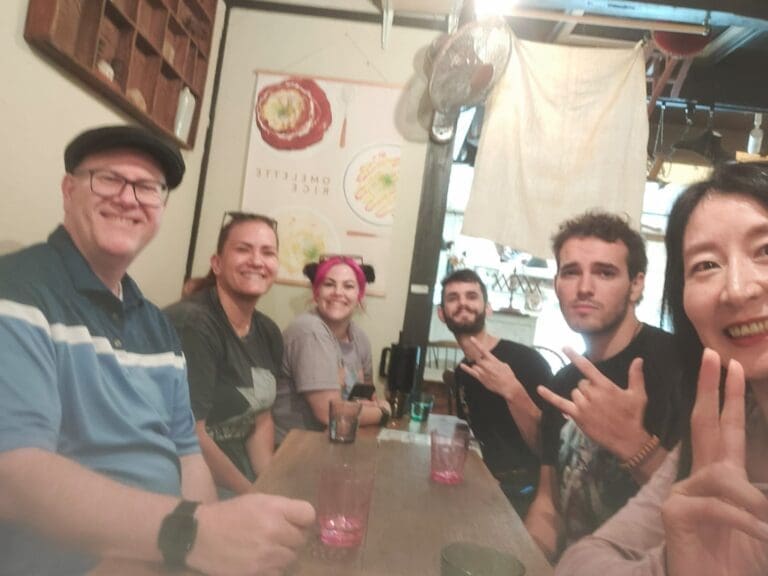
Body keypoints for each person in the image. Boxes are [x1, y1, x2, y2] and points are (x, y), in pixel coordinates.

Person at [0, 125, 314, 575]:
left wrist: (208, 548)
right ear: (69, 190)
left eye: (148, 187)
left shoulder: (156, 325)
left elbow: (188, 454)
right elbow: (12, 476)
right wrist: (192, 533)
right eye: (108, 178)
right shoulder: (18, 292)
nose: (129, 198)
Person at [555, 162, 768, 576]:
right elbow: (576, 554)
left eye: (766, 250)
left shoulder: (672, 372)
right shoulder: (717, 417)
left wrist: (636, 446)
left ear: (638, 285)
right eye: (706, 265)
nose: (738, 288)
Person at [525, 211, 686, 560]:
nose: (584, 287)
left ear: (636, 285)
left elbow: (705, 517)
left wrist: (634, 445)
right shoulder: (563, 382)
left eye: (605, 272)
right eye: (571, 272)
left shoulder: (678, 366)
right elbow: (547, 505)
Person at [164, 211, 281, 495]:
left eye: (268, 252)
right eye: (243, 249)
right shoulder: (194, 325)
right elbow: (190, 434)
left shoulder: (268, 332)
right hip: (182, 472)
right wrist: (252, 497)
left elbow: (260, 419)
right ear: (217, 264)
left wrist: (269, 488)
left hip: (235, 474)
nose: (256, 261)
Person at [437, 268, 552, 515]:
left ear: (487, 308)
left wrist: (512, 390)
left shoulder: (527, 361)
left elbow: (550, 448)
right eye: (453, 298)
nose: (463, 303)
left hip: (525, 497)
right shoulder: (462, 372)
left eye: (471, 296)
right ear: (441, 314)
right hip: (481, 486)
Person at [273, 255, 390, 443]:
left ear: (359, 295)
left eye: (349, 286)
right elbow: (330, 414)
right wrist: (383, 411)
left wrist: (368, 407)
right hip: (293, 449)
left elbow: (367, 397)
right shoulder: (309, 331)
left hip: (338, 441)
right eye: (329, 284)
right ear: (316, 291)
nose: (338, 292)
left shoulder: (360, 339)